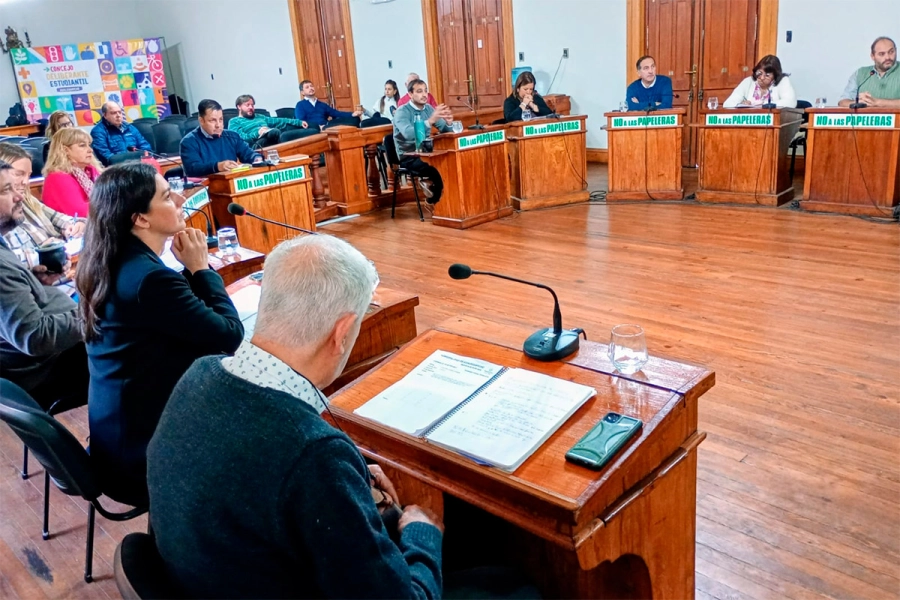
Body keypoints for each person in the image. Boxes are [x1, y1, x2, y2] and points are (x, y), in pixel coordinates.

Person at [147, 234, 443, 599]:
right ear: (343, 331)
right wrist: (422, 533)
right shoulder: (313, 455)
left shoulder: (201, 373)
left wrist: (351, 476)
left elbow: (255, 467)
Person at [76, 162, 243, 505]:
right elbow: (229, 336)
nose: (180, 199)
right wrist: (200, 268)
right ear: (141, 218)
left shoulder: (110, 258)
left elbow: (166, 316)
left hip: (117, 436)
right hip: (142, 456)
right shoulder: (149, 278)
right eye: (167, 196)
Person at [0, 160, 88, 411]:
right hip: (47, 371)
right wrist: (95, 314)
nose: (19, 196)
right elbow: (35, 337)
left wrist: (32, 283)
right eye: (7, 190)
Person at [0, 142, 85, 283]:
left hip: (63, 275)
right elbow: (8, 262)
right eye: (19, 174)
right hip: (46, 284)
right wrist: (44, 250)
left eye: (29, 175)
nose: (26, 182)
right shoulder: (4, 215)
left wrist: (75, 224)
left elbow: (62, 218)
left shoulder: (27, 200)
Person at [393, 79, 453, 204]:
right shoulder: (402, 111)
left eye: (426, 91)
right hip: (409, 156)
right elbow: (409, 134)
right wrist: (430, 121)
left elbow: (444, 129)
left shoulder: (429, 109)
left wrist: (449, 123)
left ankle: (447, 202)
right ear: (410, 94)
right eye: (419, 91)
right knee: (439, 169)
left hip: (428, 152)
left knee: (452, 163)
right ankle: (435, 203)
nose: (424, 94)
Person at [180, 99, 264, 177]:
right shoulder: (189, 142)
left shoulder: (232, 136)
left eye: (220, 120)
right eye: (213, 120)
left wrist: (257, 159)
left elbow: (248, 154)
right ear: (201, 121)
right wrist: (217, 166)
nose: (218, 125)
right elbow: (192, 169)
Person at [41, 128, 103, 218]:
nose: (90, 150)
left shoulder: (91, 171)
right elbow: (80, 212)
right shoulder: (57, 177)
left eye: (89, 145)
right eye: (82, 145)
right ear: (65, 150)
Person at [227, 94, 315, 147]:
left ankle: (314, 131)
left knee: (311, 125)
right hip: (256, 144)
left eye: (252, 105)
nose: (251, 107)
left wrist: (298, 122)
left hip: (271, 136)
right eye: (247, 105)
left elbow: (278, 121)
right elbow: (240, 139)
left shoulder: (259, 116)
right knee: (276, 132)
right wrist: (258, 133)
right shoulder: (234, 121)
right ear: (239, 107)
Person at [838, 36, 900, 108]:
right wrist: (860, 102)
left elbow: (876, 103)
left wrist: (877, 102)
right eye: (882, 54)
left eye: (891, 52)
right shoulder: (860, 73)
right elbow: (842, 102)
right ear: (872, 56)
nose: (888, 57)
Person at [724, 55, 797, 108]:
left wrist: (764, 104)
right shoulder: (748, 81)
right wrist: (740, 104)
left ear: (775, 75)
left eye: (767, 75)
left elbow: (791, 102)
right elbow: (727, 104)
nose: (762, 77)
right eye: (759, 73)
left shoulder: (783, 81)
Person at [294, 80, 362, 129]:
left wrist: (352, 114)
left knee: (355, 119)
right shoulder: (300, 105)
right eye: (307, 87)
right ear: (302, 92)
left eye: (311, 86)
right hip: (313, 129)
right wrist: (317, 126)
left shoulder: (322, 104)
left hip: (327, 126)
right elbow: (301, 121)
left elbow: (335, 113)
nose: (310, 88)